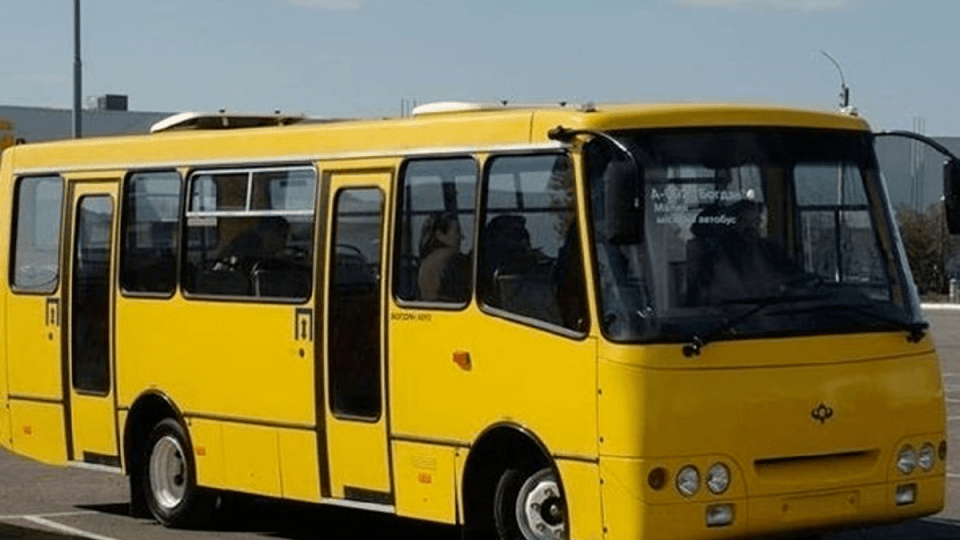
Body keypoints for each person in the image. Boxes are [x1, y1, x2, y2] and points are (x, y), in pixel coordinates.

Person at [417, 212, 470, 302]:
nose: (461, 237)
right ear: (440, 235)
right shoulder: (453, 259)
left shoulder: (426, 261)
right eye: (457, 232)